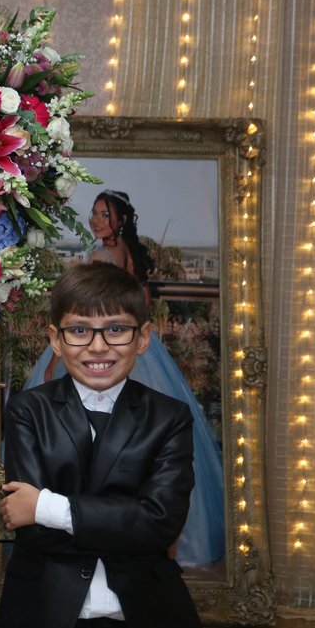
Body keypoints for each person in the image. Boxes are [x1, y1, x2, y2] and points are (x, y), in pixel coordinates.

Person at [0, 262, 215, 628]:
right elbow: (34, 534)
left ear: (143, 337)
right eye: (79, 330)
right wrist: (126, 521)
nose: (98, 346)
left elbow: (160, 523)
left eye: (116, 329)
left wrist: (48, 506)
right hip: (47, 624)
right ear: (56, 339)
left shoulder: (169, 417)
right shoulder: (29, 410)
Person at [26, 190, 225, 568]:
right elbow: (142, 302)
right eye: (94, 213)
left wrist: (56, 358)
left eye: (105, 215)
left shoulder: (99, 258)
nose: (96, 220)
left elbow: (82, 312)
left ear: (121, 220)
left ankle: (87, 526)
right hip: (134, 347)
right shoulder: (130, 254)